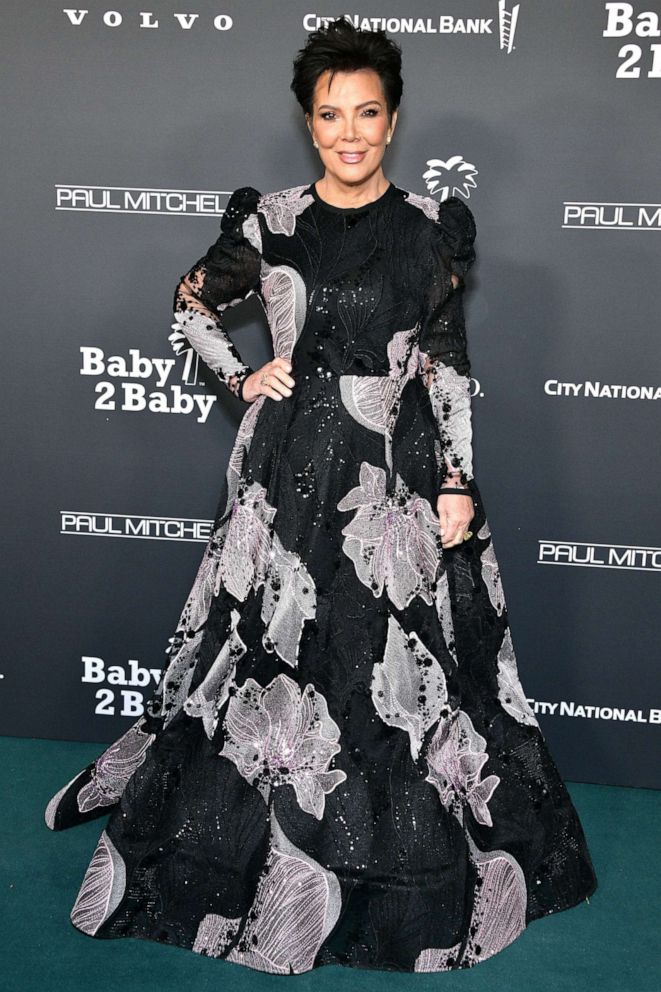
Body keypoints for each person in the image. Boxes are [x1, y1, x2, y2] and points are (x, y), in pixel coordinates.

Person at [44, 17, 597, 974]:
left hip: (395, 477)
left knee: (399, 672)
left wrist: (459, 480)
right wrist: (240, 372)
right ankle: (270, 853)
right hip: (290, 471)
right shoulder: (271, 220)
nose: (349, 132)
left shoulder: (429, 228)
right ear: (310, 124)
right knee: (271, 656)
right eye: (330, 115)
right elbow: (190, 301)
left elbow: (445, 363)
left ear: (391, 120)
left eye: (366, 114)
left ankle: (385, 865)